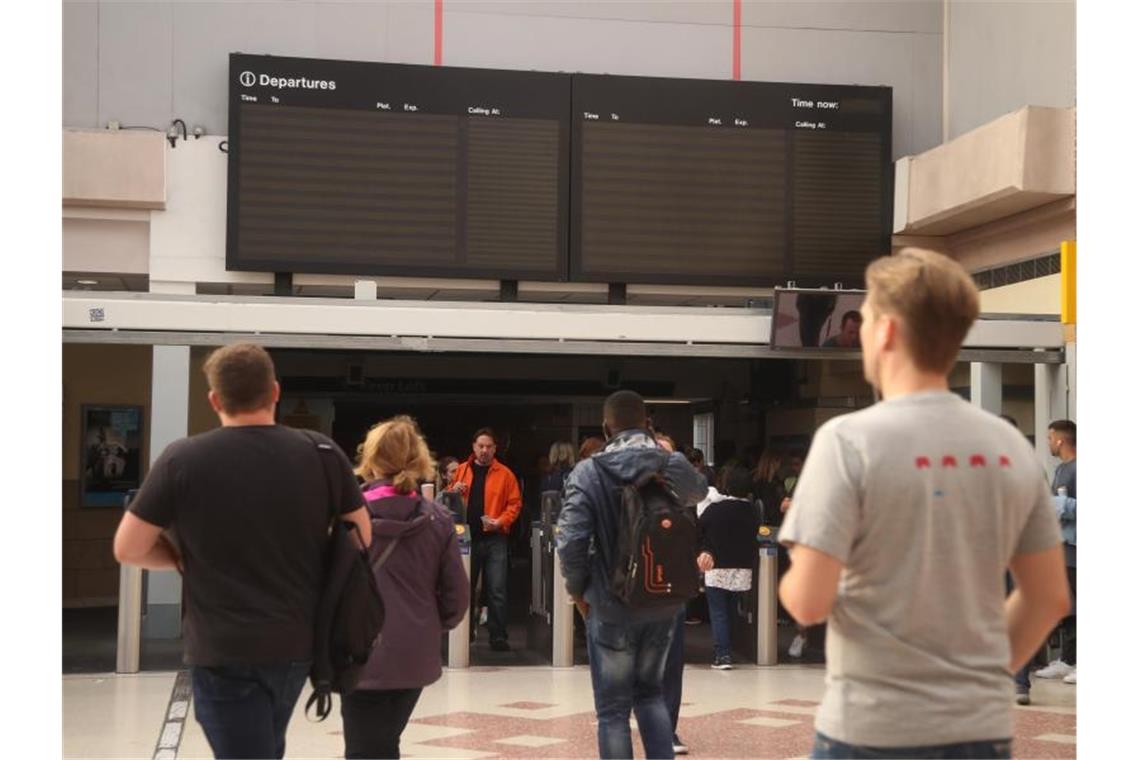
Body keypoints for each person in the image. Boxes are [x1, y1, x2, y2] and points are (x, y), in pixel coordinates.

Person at [778, 249, 1070, 759]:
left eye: (865, 319)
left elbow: (808, 602)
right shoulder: (1010, 446)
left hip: (870, 728)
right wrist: (975, 675)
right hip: (980, 728)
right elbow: (1047, 598)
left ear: (887, 330)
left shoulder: (848, 441)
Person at [112, 344, 372, 760]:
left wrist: (179, 559)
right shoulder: (321, 453)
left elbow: (128, 547)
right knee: (267, 745)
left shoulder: (183, 458)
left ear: (214, 399)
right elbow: (361, 536)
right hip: (296, 641)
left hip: (221, 645)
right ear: (275, 391)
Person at [556, 391, 708, 760]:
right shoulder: (669, 462)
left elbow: (572, 541)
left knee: (612, 711)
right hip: (663, 598)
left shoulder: (588, 472)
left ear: (606, 428)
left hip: (609, 604)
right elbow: (699, 492)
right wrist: (661, 458)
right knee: (651, 695)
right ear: (648, 424)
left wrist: (578, 593)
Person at [344, 416, 468, 759]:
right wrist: (428, 623)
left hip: (356, 648)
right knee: (384, 742)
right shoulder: (438, 519)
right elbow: (457, 597)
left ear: (369, 459)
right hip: (413, 651)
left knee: (363, 747)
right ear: (418, 460)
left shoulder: (345, 516)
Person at [447, 427, 522, 651]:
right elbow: (446, 500)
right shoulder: (461, 471)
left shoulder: (505, 474)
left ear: (495, 449)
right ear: (473, 447)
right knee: (465, 589)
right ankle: (465, 634)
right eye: (480, 446)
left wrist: (501, 521)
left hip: (495, 537)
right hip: (466, 539)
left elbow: (515, 504)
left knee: (496, 589)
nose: (484, 450)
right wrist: (454, 490)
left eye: (489, 446)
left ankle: (498, 636)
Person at [698, 465, 762, 670]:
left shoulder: (715, 509)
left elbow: (699, 530)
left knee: (718, 613)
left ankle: (722, 654)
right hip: (742, 569)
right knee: (734, 611)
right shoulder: (753, 511)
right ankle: (734, 648)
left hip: (716, 568)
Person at [1035, 419, 1078, 685]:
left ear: (1060, 440)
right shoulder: (1061, 469)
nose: (1048, 442)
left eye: (1050, 438)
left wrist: (1053, 503)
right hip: (1062, 550)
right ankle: (1068, 659)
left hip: (1077, 548)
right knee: (1070, 608)